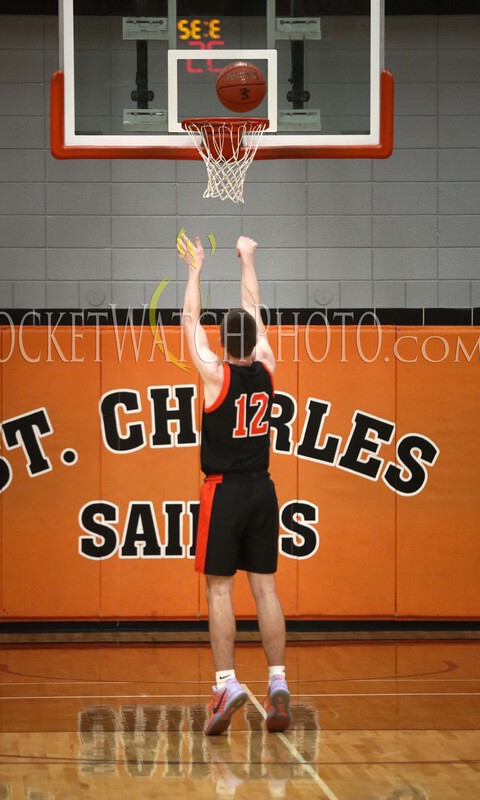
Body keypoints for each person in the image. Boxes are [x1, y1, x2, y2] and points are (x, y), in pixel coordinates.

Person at [179, 232, 292, 736]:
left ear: (223, 343)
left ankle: (226, 684)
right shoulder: (267, 366)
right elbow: (255, 307)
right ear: (256, 340)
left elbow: (187, 322)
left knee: (219, 591)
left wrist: (195, 270)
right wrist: (249, 255)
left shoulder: (213, 374)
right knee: (265, 590)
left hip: (223, 490)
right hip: (263, 489)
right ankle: (278, 683)